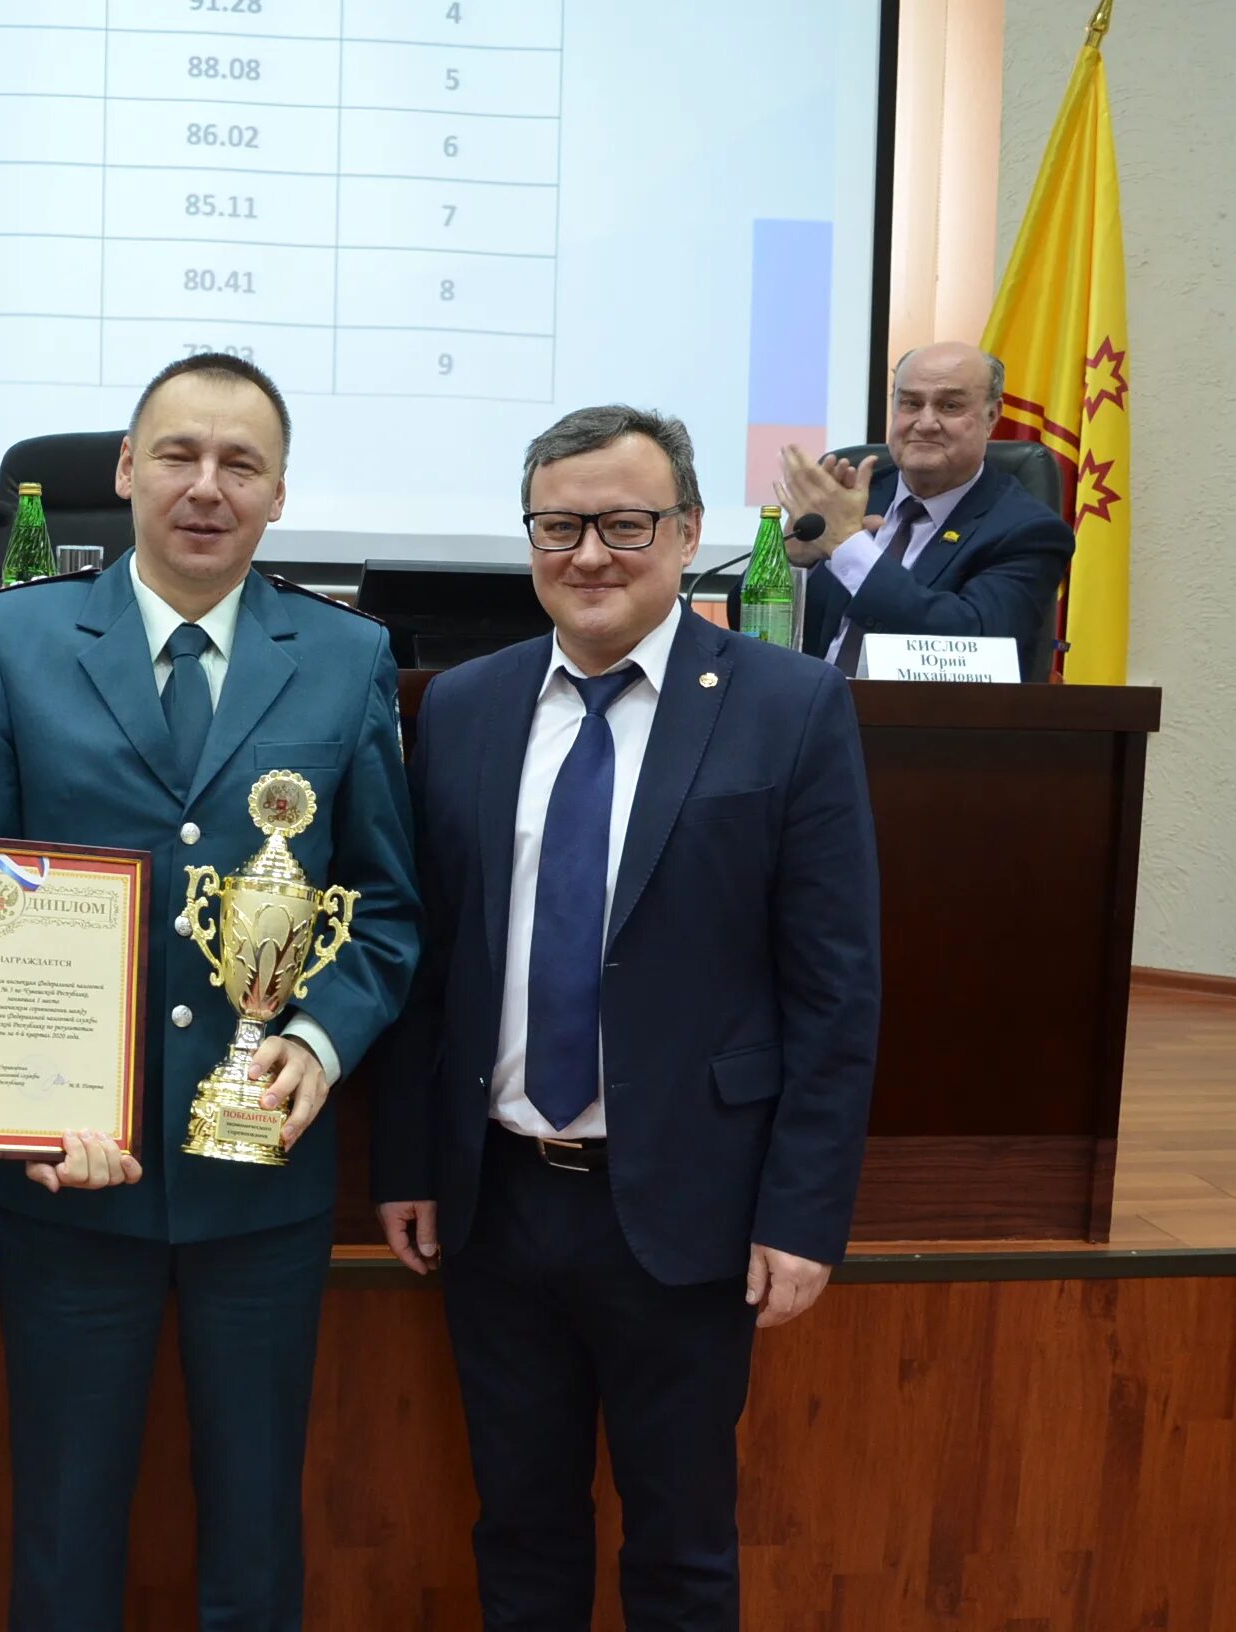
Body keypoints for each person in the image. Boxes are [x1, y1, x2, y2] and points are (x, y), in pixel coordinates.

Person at [0, 352, 419, 1631]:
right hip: (65, 1178)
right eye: (180, 456)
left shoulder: (346, 654)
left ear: (277, 493)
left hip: (262, 1181)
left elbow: (385, 905)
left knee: (257, 1530)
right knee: (62, 1525)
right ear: (125, 472)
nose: (208, 488)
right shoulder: (11, 639)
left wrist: (320, 1031)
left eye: (240, 464)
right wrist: (5, 1111)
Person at [373, 405, 881, 1630]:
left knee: (680, 1547)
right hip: (498, 1205)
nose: (589, 553)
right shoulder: (464, 707)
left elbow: (833, 985)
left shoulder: (787, 706)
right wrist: (407, 1164)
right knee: (521, 1531)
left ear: (688, 531)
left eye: (624, 523)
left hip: (686, 1209)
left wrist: (802, 1214)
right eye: (559, 525)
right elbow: (429, 960)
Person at [776, 341, 1075, 680]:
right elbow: (746, 620)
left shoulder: (1028, 530)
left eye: (949, 406)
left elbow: (974, 643)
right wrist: (790, 560)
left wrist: (849, 547)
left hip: (921, 727)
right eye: (911, 403)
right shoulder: (852, 496)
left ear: (992, 416)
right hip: (803, 717)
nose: (926, 422)